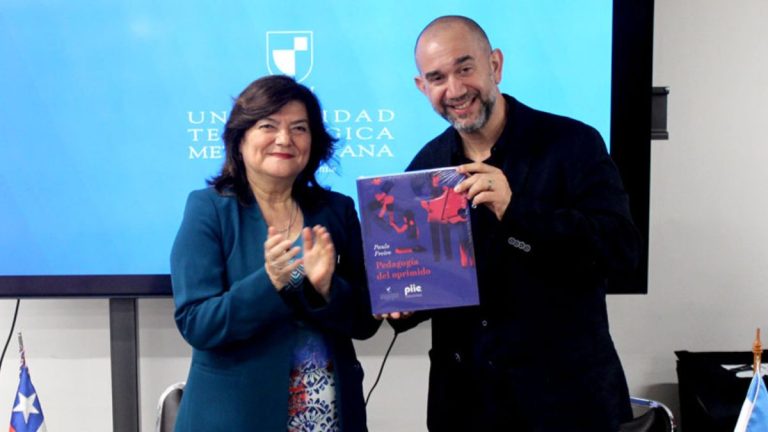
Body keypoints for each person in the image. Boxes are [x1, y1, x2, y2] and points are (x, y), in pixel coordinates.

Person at [386, 15, 641, 431]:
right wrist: (403, 303)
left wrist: (515, 212)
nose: (455, 89)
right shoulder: (424, 169)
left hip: (568, 406)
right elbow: (429, 288)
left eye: (465, 68)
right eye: (437, 78)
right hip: (466, 408)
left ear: (495, 65)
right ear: (422, 87)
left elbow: (621, 251)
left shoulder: (573, 144)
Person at [170, 75, 381, 432]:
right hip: (234, 418)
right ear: (240, 138)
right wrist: (270, 282)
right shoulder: (209, 209)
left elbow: (365, 321)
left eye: (299, 128)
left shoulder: (337, 210)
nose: (285, 139)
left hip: (327, 417)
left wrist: (327, 289)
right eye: (268, 126)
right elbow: (197, 322)